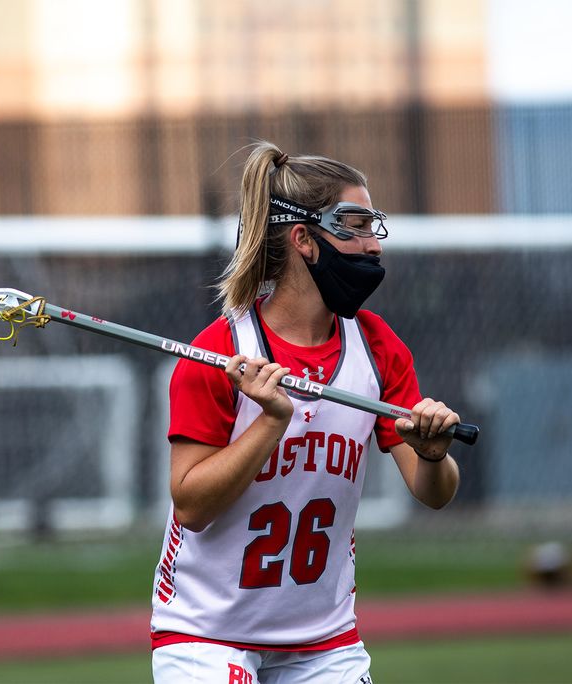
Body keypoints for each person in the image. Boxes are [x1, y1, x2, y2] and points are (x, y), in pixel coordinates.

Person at [151, 142, 461, 683]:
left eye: (373, 227)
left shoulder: (377, 348)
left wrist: (433, 456)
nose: (371, 245)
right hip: (206, 631)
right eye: (353, 226)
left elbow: (432, 493)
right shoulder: (219, 353)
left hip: (323, 636)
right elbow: (192, 507)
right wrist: (272, 422)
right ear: (304, 240)